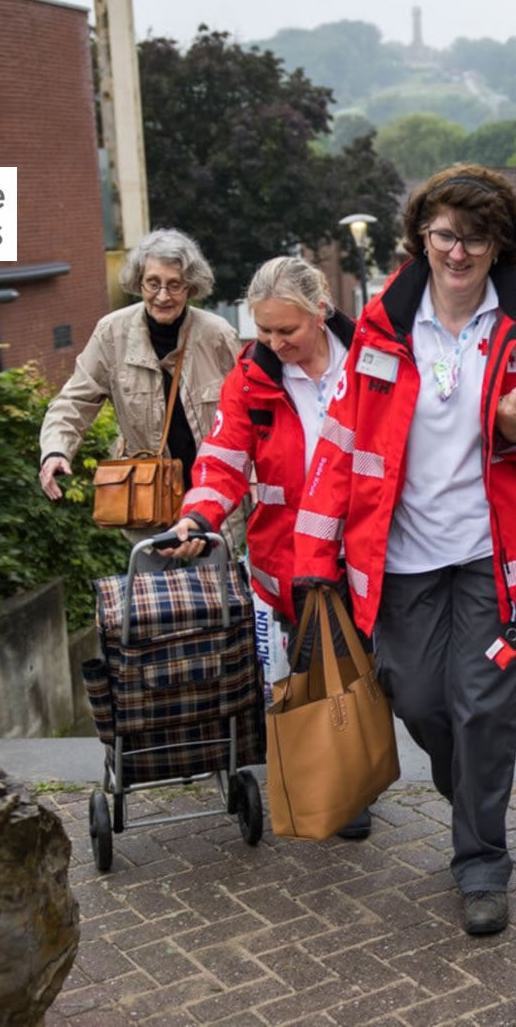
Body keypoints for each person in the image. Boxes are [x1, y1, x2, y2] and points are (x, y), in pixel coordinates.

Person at [293, 164, 516, 936]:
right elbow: (341, 441)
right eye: (443, 235)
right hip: (403, 560)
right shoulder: (382, 325)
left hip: (499, 561)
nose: (457, 252)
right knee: (422, 700)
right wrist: (312, 558)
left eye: (476, 238)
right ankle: (466, 788)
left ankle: (482, 862)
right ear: (421, 238)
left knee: (485, 708)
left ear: (501, 245)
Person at [160, 256, 372, 840]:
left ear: (320, 312)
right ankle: (342, 783)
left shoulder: (371, 363)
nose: (273, 342)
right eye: (264, 330)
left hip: (367, 550)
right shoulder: (251, 378)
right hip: (291, 557)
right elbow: (224, 458)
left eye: (288, 330)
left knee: (372, 669)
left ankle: (356, 765)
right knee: (314, 670)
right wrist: (198, 516)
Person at [38, 228, 244, 546]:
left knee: (216, 593)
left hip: (214, 506)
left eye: (174, 285)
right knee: (158, 593)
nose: (162, 296)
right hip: (149, 506)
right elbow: (74, 401)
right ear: (139, 282)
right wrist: (55, 450)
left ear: (190, 287)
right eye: (153, 283)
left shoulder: (217, 336)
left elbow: (254, 415)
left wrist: (257, 485)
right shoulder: (111, 333)